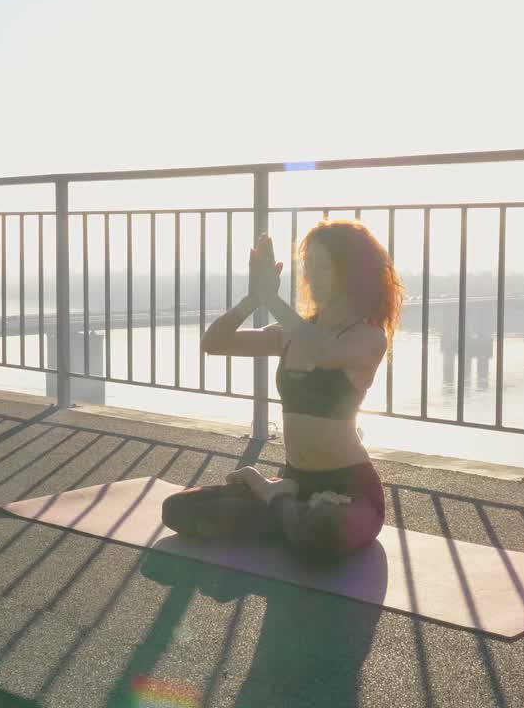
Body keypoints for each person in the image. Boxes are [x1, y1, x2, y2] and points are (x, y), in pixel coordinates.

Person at [160, 219, 405, 563]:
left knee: (320, 536)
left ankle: (269, 494)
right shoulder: (289, 333)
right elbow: (213, 343)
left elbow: (322, 351)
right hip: (297, 480)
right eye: (309, 266)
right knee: (178, 509)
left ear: (350, 272)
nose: (312, 276)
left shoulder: (368, 338)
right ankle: (283, 504)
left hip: (350, 490)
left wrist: (273, 300)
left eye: (324, 266)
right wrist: (253, 298)